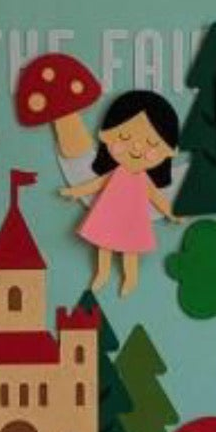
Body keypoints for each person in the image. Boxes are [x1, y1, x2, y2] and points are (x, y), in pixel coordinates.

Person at [62, 89, 181, 297]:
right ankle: (102, 274)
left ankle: (130, 279)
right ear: (107, 135)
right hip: (109, 215)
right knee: (104, 246)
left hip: (132, 220)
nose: (136, 148)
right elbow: (96, 184)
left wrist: (171, 213)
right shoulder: (116, 173)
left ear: (167, 152)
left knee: (130, 251)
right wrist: (75, 191)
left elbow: (155, 197)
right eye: (124, 137)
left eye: (152, 144)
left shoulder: (143, 178)